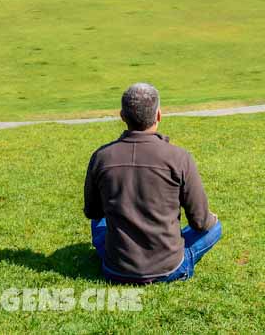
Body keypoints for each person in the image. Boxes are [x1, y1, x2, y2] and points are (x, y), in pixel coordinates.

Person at [84, 83, 221, 284]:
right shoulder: (179, 157)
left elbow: (93, 213)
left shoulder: (101, 157)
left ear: (122, 116)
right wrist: (211, 220)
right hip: (169, 268)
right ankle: (176, 260)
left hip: (116, 268)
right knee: (215, 227)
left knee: (100, 222)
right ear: (158, 115)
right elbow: (200, 222)